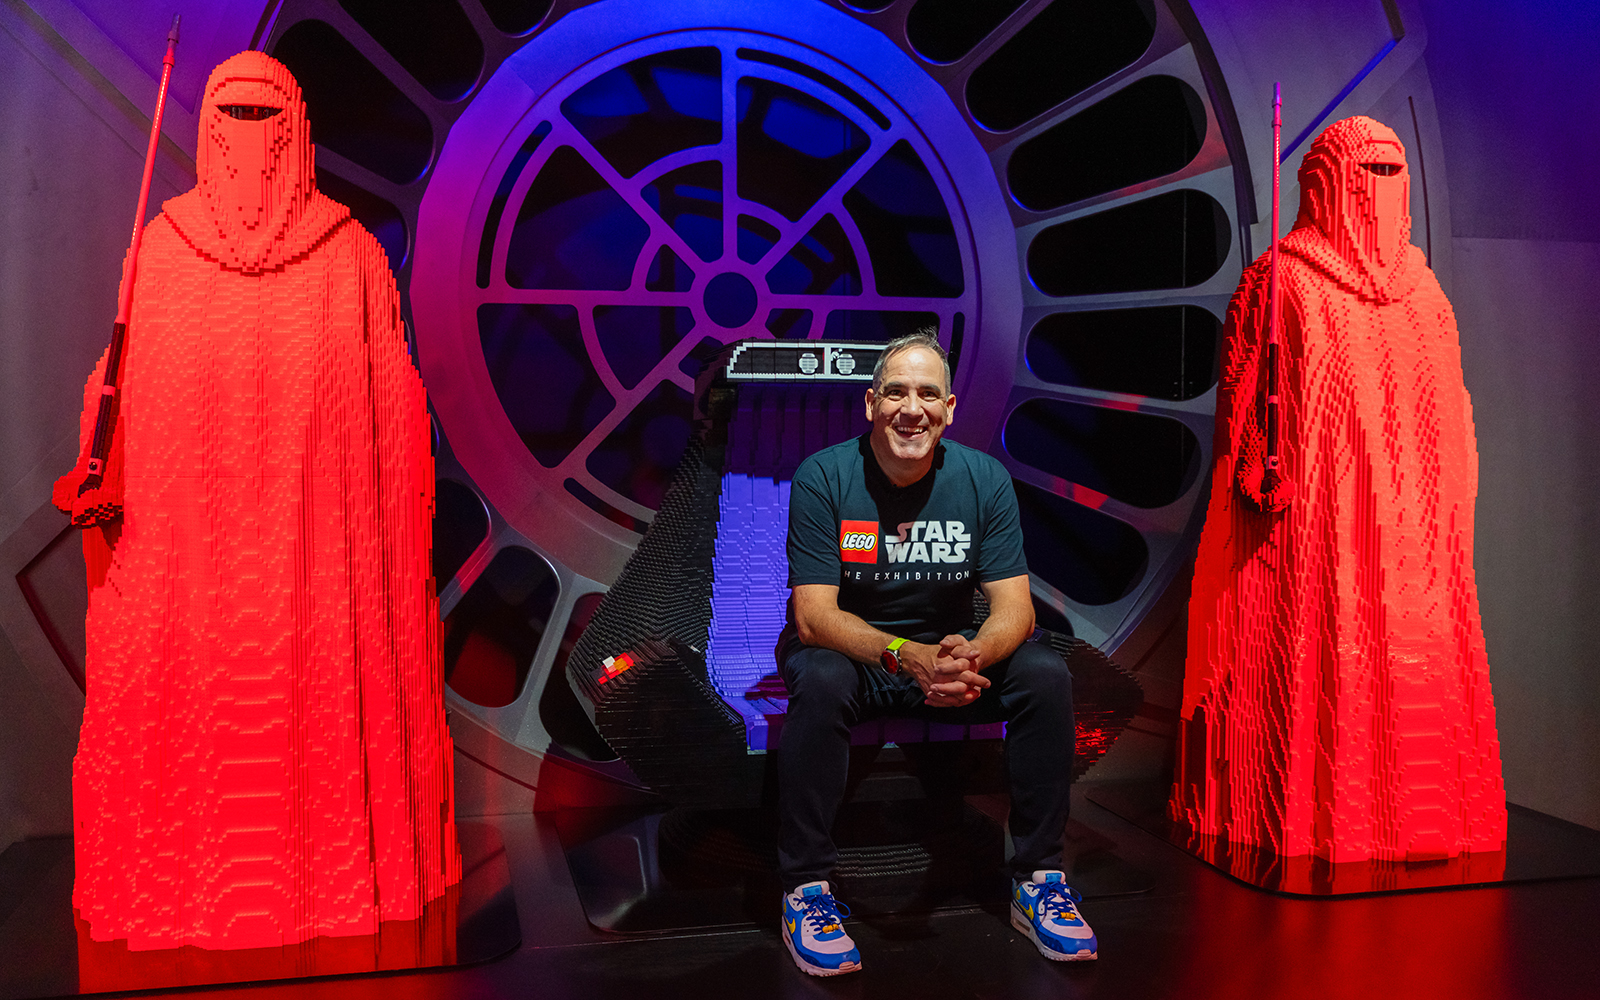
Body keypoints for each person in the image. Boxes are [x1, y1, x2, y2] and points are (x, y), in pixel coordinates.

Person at [54, 51, 459, 951]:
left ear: (297, 130)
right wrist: (99, 461)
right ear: (204, 129)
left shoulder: (347, 254)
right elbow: (121, 387)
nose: (246, 144)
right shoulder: (162, 247)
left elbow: (391, 409)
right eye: (229, 119)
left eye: (261, 119)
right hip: (192, 559)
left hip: (313, 563)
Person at [1172, 116, 1506, 862]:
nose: (1381, 190)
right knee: (1316, 667)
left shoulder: (1426, 297)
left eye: (1394, 172)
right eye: (1368, 173)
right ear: (1323, 183)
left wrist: (1448, 503)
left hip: (1416, 532)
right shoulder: (1279, 280)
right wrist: (1260, 457)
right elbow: (1244, 399)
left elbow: (1452, 416)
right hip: (1314, 529)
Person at [775, 330, 1094, 975]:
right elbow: (813, 617)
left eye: (927, 394)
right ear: (870, 404)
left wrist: (969, 657)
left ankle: (1038, 880)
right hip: (859, 654)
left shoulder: (983, 481)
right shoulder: (825, 476)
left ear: (948, 409)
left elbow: (1015, 610)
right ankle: (805, 889)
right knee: (823, 677)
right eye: (895, 392)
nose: (910, 408)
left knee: (1044, 674)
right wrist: (905, 654)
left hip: (945, 657)